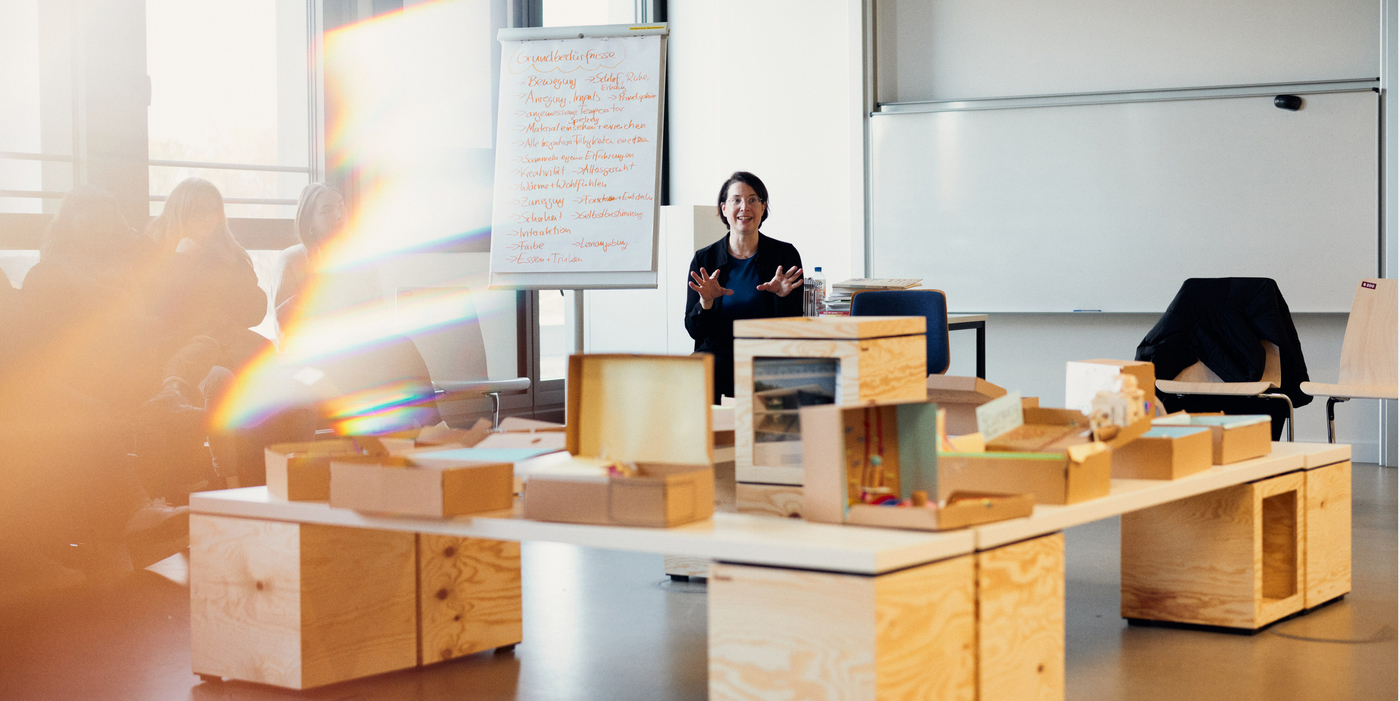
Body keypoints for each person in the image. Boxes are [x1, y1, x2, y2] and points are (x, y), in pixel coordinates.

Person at [268, 182, 440, 433]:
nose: (338, 215)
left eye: (341, 207)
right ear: (309, 221)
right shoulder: (292, 260)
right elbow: (287, 328)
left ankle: (432, 428)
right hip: (314, 356)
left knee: (402, 345)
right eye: (326, 210)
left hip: (357, 349)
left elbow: (377, 317)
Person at [685, 171, 805, 402]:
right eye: (736, 200)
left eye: (753, 200)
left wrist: (781, 296)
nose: (744, 207)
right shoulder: (705, 259)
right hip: (719, 353)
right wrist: (706, 303)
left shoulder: (784, 255)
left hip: (768, 353)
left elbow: (793, 328)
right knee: (697, 369)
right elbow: (694, 332)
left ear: (763, 207)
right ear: (723, 208)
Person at [146, 177, 271, 374]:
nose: (208, 218)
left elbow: (254, 315)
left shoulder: (228, 253)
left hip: (226, 344)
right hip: (174, 349)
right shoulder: (152, 249)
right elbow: (155, 311)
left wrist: (233, 272)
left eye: (214, 211)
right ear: (180, 211)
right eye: (198, 210)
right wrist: (180, 261)